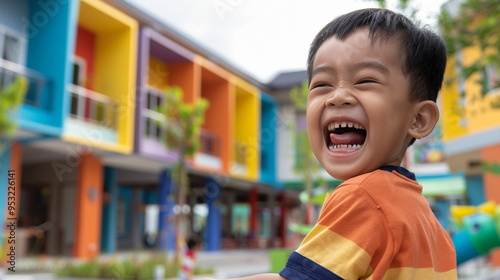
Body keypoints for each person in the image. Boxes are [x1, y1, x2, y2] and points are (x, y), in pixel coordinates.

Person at [201, 7, 457, 280]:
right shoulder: (429, 224)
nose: (337, 97)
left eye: (365, 80)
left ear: (418, 119)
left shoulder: (362, 197)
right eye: (322, 84)